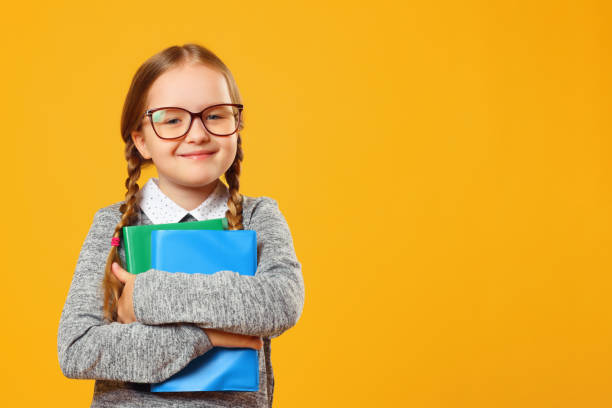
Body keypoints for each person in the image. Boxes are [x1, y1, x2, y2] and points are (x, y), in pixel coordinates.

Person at [57, 43, 305, 408]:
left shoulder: (257, 216)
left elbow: (280, 303)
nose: (197, 133)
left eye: (216, 115)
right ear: (141, 140)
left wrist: (146, 296)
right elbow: (78, 350)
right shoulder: (113, 224)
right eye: (172, 119)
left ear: (237, 126)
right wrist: (204, 335)